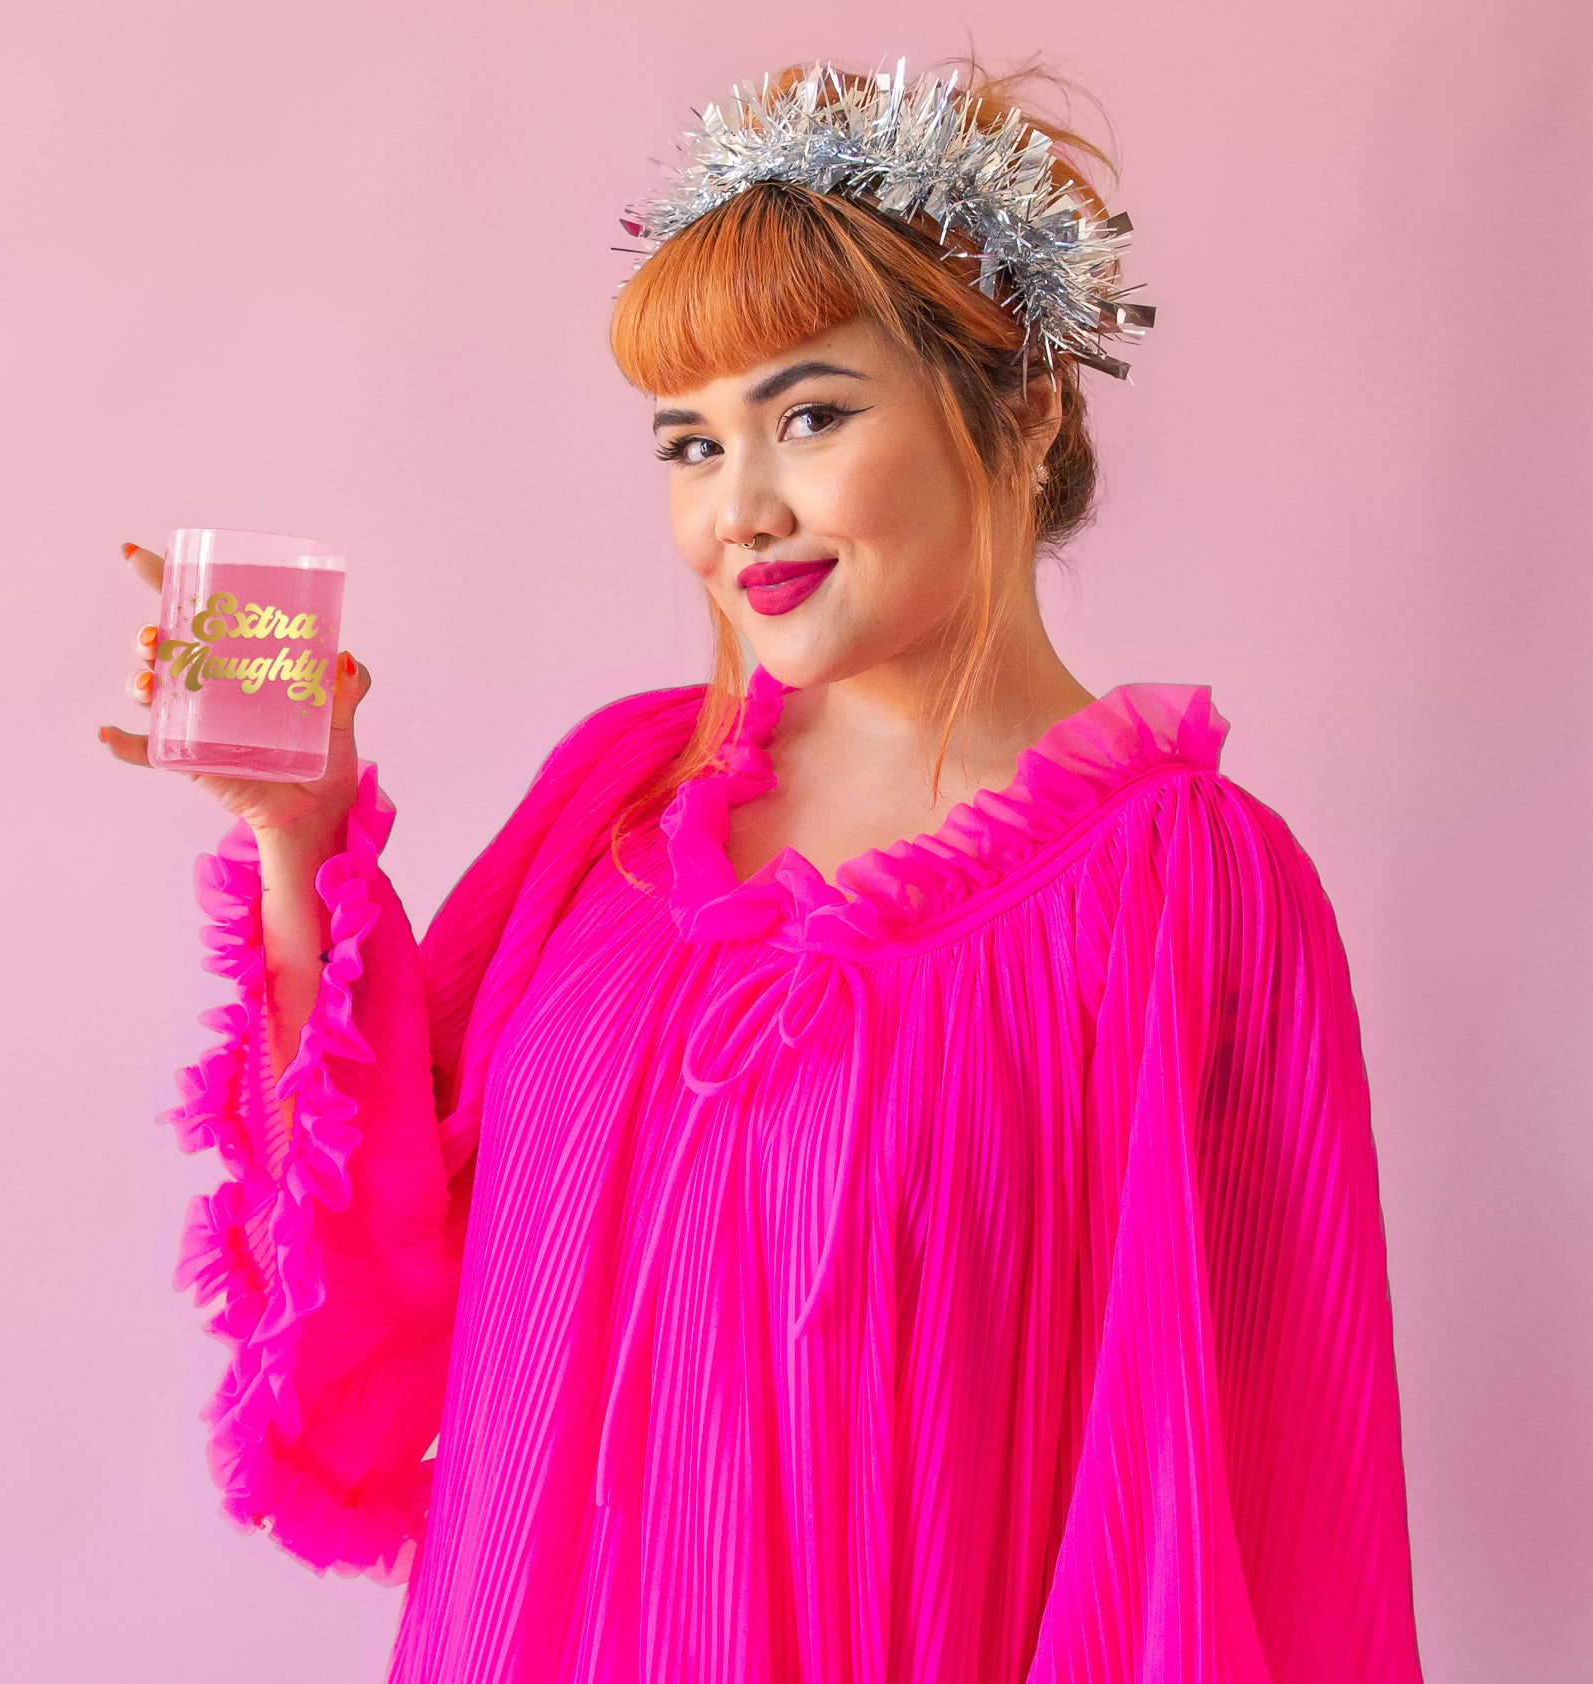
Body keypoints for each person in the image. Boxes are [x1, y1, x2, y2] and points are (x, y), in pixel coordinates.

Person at [99, 55, 1426, 1684]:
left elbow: (1243, 1481)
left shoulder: (1185, 892)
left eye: (807, 414)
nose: (742, 509)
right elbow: (377, 1268)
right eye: (689, 444)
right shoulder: (617, 800)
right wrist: (295, 842)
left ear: (1025, 410)